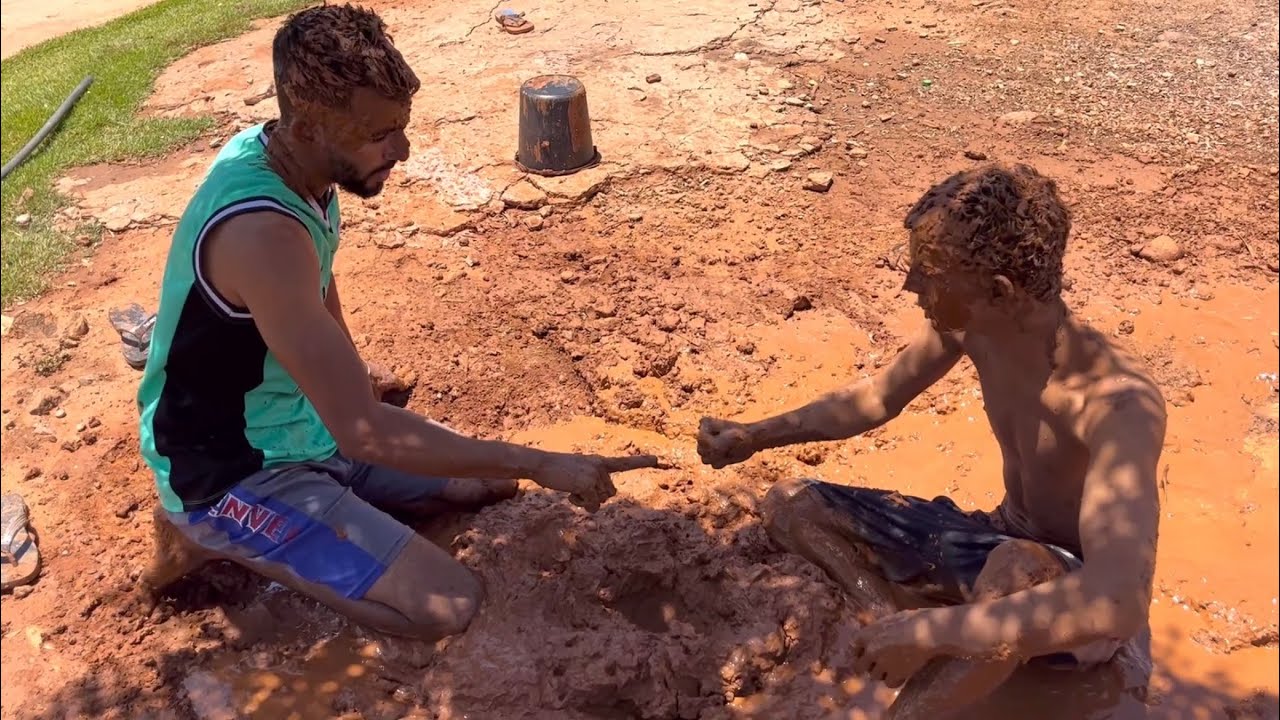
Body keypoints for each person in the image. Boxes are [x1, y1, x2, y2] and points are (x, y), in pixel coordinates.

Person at [133, 3, 658, 642]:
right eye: (380, 134)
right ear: (306, 127)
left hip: (306, 429)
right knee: (448, 604)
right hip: (232, 471)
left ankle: (324, 504)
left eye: (400, 126)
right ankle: (225, 537)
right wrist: (544, 461)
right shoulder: (260, 231)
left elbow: (319, 285)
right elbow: (365, 434)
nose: (402, 150)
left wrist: (350, 378)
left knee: (479, 486)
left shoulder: (294, 165)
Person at [697, 163, 1165, 717]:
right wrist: (756, 434)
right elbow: (875, 399)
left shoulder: (1118, 405)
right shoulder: (970, 328)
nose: (910, 285)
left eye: (930, 273)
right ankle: (887, 627)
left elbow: (1118, 599)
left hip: (1067, 601)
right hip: (996, 544)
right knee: (791, 504)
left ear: (999, 291)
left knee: (1015, 570)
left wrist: (938, 627)